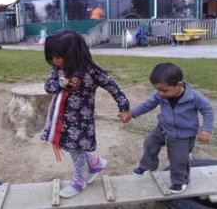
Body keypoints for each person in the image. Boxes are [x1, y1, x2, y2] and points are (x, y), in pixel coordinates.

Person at [41, 30, 131, 198]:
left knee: (75, 149)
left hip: (81, 121)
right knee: (63, 144)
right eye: (51, 57)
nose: (54, 61)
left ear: (72, 53)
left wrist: (124, 107)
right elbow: (48, 87)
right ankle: (94, 163)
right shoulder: (57, 69)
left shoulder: (92, 72)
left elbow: (115, 89)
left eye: (57, 56)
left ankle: (79, 180)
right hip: (59, 118)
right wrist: (64, 83)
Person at [130, 63, 214, 194]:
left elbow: (208, 110)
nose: (160, 93)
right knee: (150, 143)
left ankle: (180, 181)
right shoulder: (160, 94)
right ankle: (148, 166)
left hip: (182, 135)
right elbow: (148, 104)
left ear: (179, 85)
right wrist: (132, 113)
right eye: (158, 90)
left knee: (178, 158)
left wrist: (206, 129)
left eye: (164, 90)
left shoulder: (194, 97)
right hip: (163, 128)